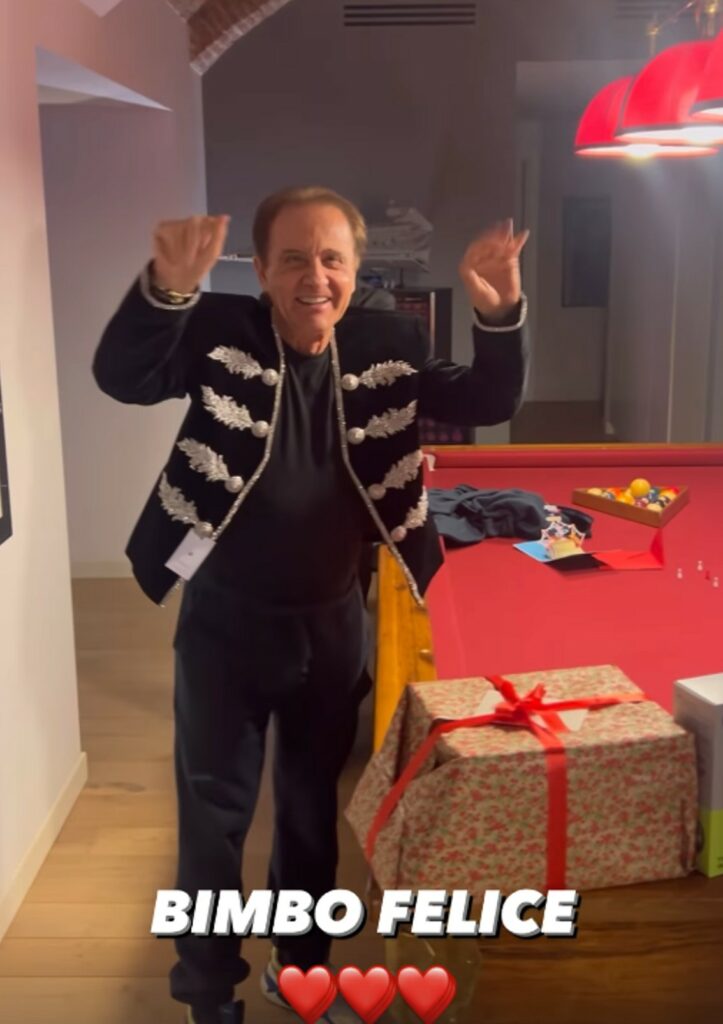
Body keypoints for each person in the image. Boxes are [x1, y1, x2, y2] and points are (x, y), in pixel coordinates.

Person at [92, 186, 530, 1024]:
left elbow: (487, 400)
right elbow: (124, 378)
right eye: (292, 258)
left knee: (308, 811)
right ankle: (207, 992)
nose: (314, 277)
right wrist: (163, 291)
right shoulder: (217, 328)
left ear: (356, 271)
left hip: (332, 625)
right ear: (260, 270)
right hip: (224, 625)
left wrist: (499, 313)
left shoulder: (389, 340)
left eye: (331, 259)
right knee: (214, 815)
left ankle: (299, 968)